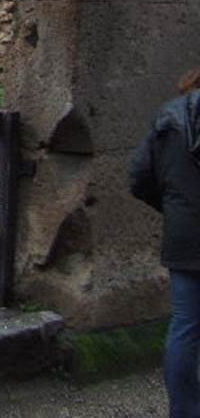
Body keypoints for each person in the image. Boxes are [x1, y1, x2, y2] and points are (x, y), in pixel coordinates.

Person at [131, 67, 200, 418]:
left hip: (185, 236)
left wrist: (173, 208)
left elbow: (139, 177)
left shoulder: (168, 117)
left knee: (185, 326)